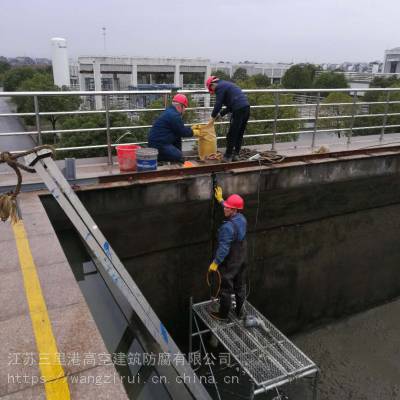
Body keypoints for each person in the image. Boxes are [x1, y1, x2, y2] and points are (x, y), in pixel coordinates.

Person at [208, 185, 247, 321]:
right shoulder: (242, 219)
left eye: (228, 208)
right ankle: (239, 311)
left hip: (231, 260)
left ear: (234, 210)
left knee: (226, 287)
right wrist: (221, 200)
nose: (225, 208)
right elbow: (229, 206)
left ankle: (223, 315)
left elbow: (224, 249)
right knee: (240, 285)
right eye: (225, 206)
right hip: (241, 257)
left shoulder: (227, 228)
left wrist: (215, 263)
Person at [206, 76, 250, 162]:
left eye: (212, 89)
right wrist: (221, 114)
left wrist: (212, 117)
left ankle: (227, 156)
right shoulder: (227, 84)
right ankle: (236, 155)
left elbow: (218, 104)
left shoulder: (219, 87)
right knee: (239, 133)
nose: (214, 92)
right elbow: (231, 105)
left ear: (212, 84)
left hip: (238, 110)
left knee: (231, 134)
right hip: (246, 108)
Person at [148, 94, 199, 163]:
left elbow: (178, 129)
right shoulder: (174, 116)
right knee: (178, 156)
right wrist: (194, 132)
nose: (185, 110)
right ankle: (160, 159)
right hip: (159, 145)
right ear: (180, 106)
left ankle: (172, 157)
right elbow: (182, 132)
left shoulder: (170, 111)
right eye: (184, 107)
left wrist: (190, 129)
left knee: (177, 138)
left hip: (158, 142)